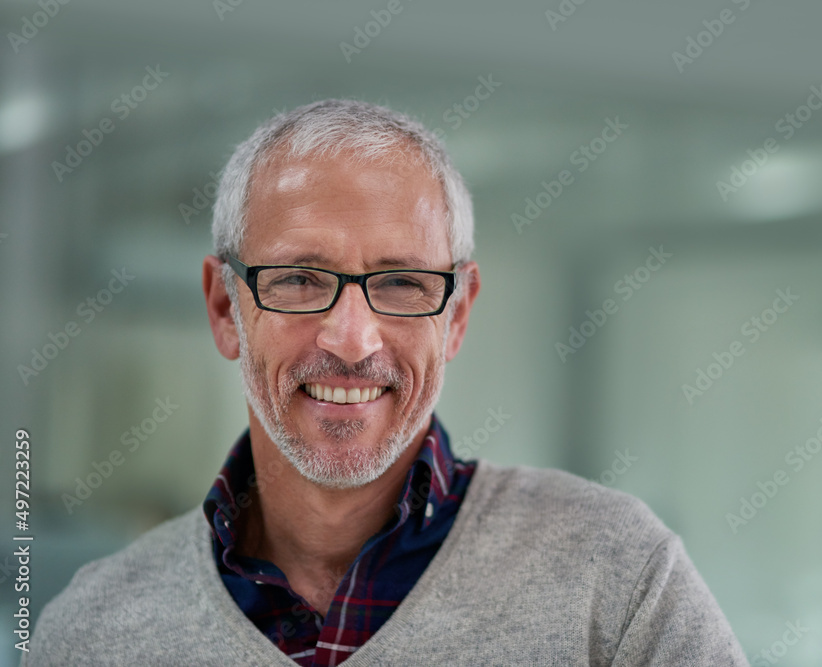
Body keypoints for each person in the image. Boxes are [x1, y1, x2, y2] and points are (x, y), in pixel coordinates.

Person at [27, 99, 749, 666]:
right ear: (225, 309)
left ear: (456, 315)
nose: (352, 338)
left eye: (401, 282)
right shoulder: (90, 632)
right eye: (301, 278)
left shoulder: (615, 577)